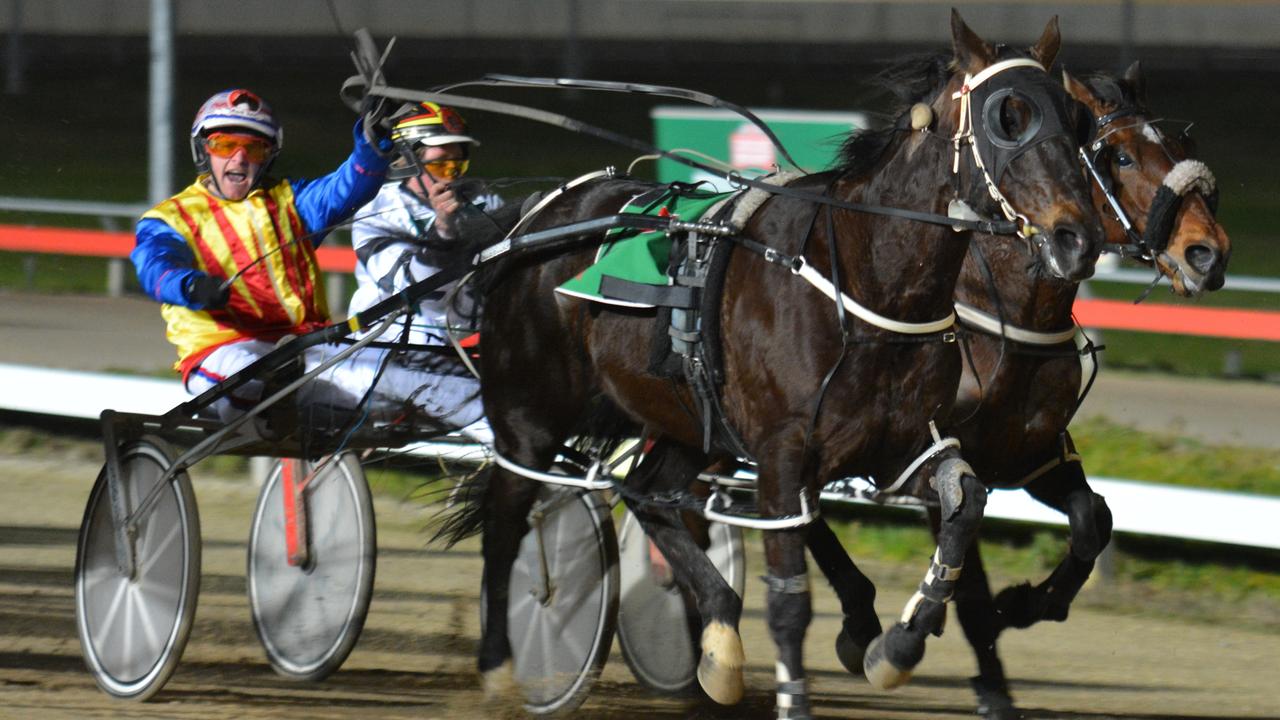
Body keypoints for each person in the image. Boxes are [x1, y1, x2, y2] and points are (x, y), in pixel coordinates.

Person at [131, 88, 485, 438]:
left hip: (307, 350)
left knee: (424, 385)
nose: (239, 159)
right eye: (225, 145)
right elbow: (155, 268)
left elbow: (350, 186)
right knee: (253, 376)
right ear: (203, 150)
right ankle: (280, 405)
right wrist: (191, 286)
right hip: (224, 352)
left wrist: (372, 143)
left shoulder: (293, 201)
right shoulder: (169, 219)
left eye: (253, 148)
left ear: (268, 155)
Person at [347, 101, 503, 346]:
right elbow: (417, 290)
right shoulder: (376, 211)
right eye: (441, 164)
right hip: (388, 347)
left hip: (462, 346)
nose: (453, 176)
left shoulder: (485, 203)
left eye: (457, 164)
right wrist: (443, 229)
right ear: (410, 160)